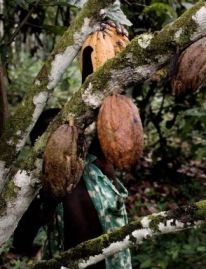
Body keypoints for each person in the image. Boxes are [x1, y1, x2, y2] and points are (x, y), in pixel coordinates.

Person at [10, 108, 132, 269]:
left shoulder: (97, 163)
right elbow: (21, 243)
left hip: (112, 262)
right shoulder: (42, 190)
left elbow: (105, 114)